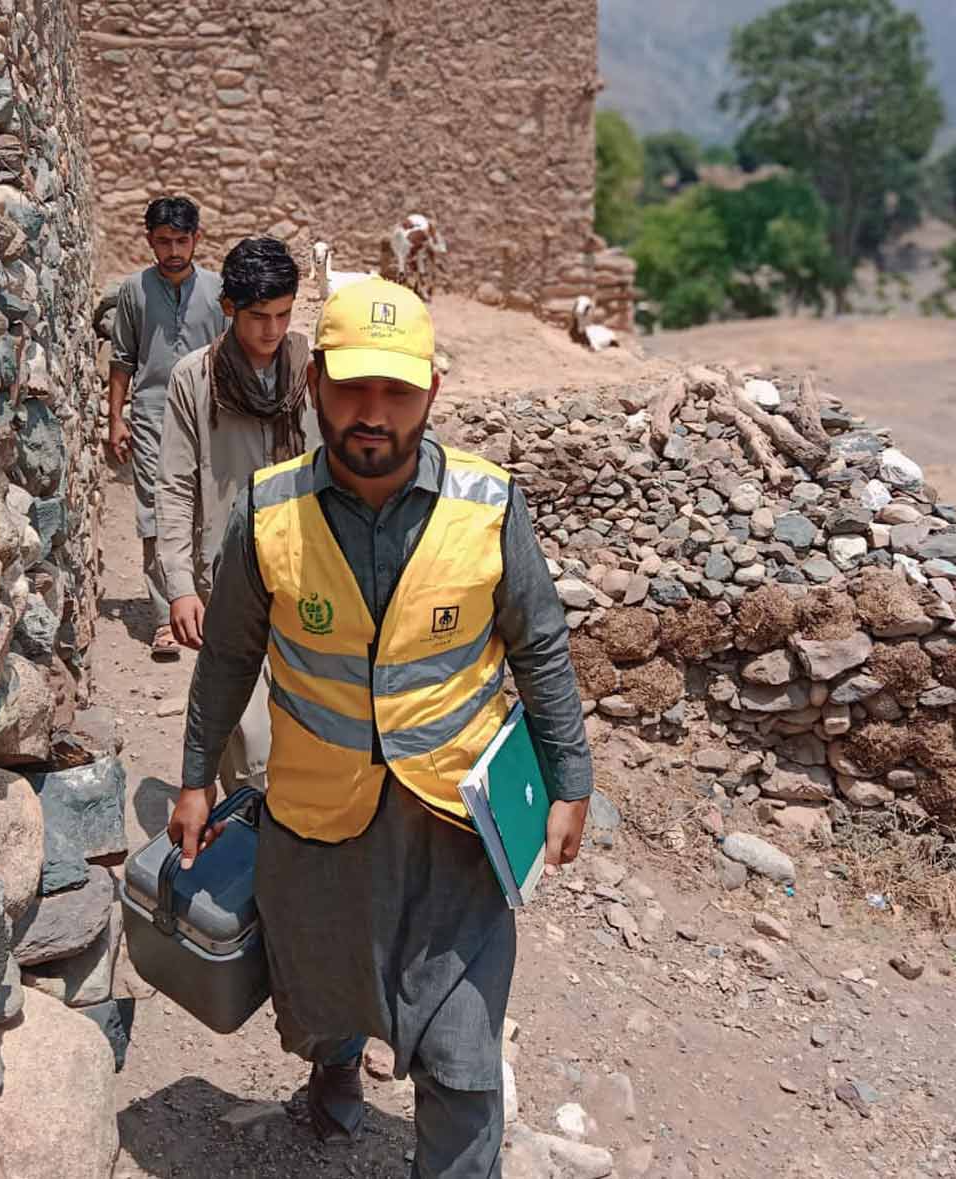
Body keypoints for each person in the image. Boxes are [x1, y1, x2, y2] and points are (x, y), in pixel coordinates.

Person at [169, 277, 593, 1177]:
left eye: (397, 392)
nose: (373, 414)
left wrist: (571, 778)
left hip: (455, 830)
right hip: (317, 821)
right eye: (354, 388)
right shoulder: (269, 510)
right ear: (315, 381)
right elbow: (228, 657)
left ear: (431, 394)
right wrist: (197, 774)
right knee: (325, 990)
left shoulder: (488, 505)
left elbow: (542, 647)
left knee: (465, 1050)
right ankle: (332, 1087)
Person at [155, 236, 317, 789]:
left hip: (312, 571)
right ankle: (244, 842)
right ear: (228, 308)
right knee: (247, 744)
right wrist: (179, 585)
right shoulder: (194, 379)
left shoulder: (313, 373)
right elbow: (175, 486)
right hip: (228, 576)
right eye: (257, 316)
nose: (272, 330)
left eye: (283, 315)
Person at [108, 195, 227, 660]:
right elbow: (123, 359)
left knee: (209, 510)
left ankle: (207, 608)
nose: (173, 251)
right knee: (155, 513)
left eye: (181, 240)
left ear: (197, 239)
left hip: (210, 413)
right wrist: (117, 418)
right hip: (153, 414)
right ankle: (164, 619)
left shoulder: (219, 290)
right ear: (150, 242)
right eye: (164, 242)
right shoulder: (134, 291)